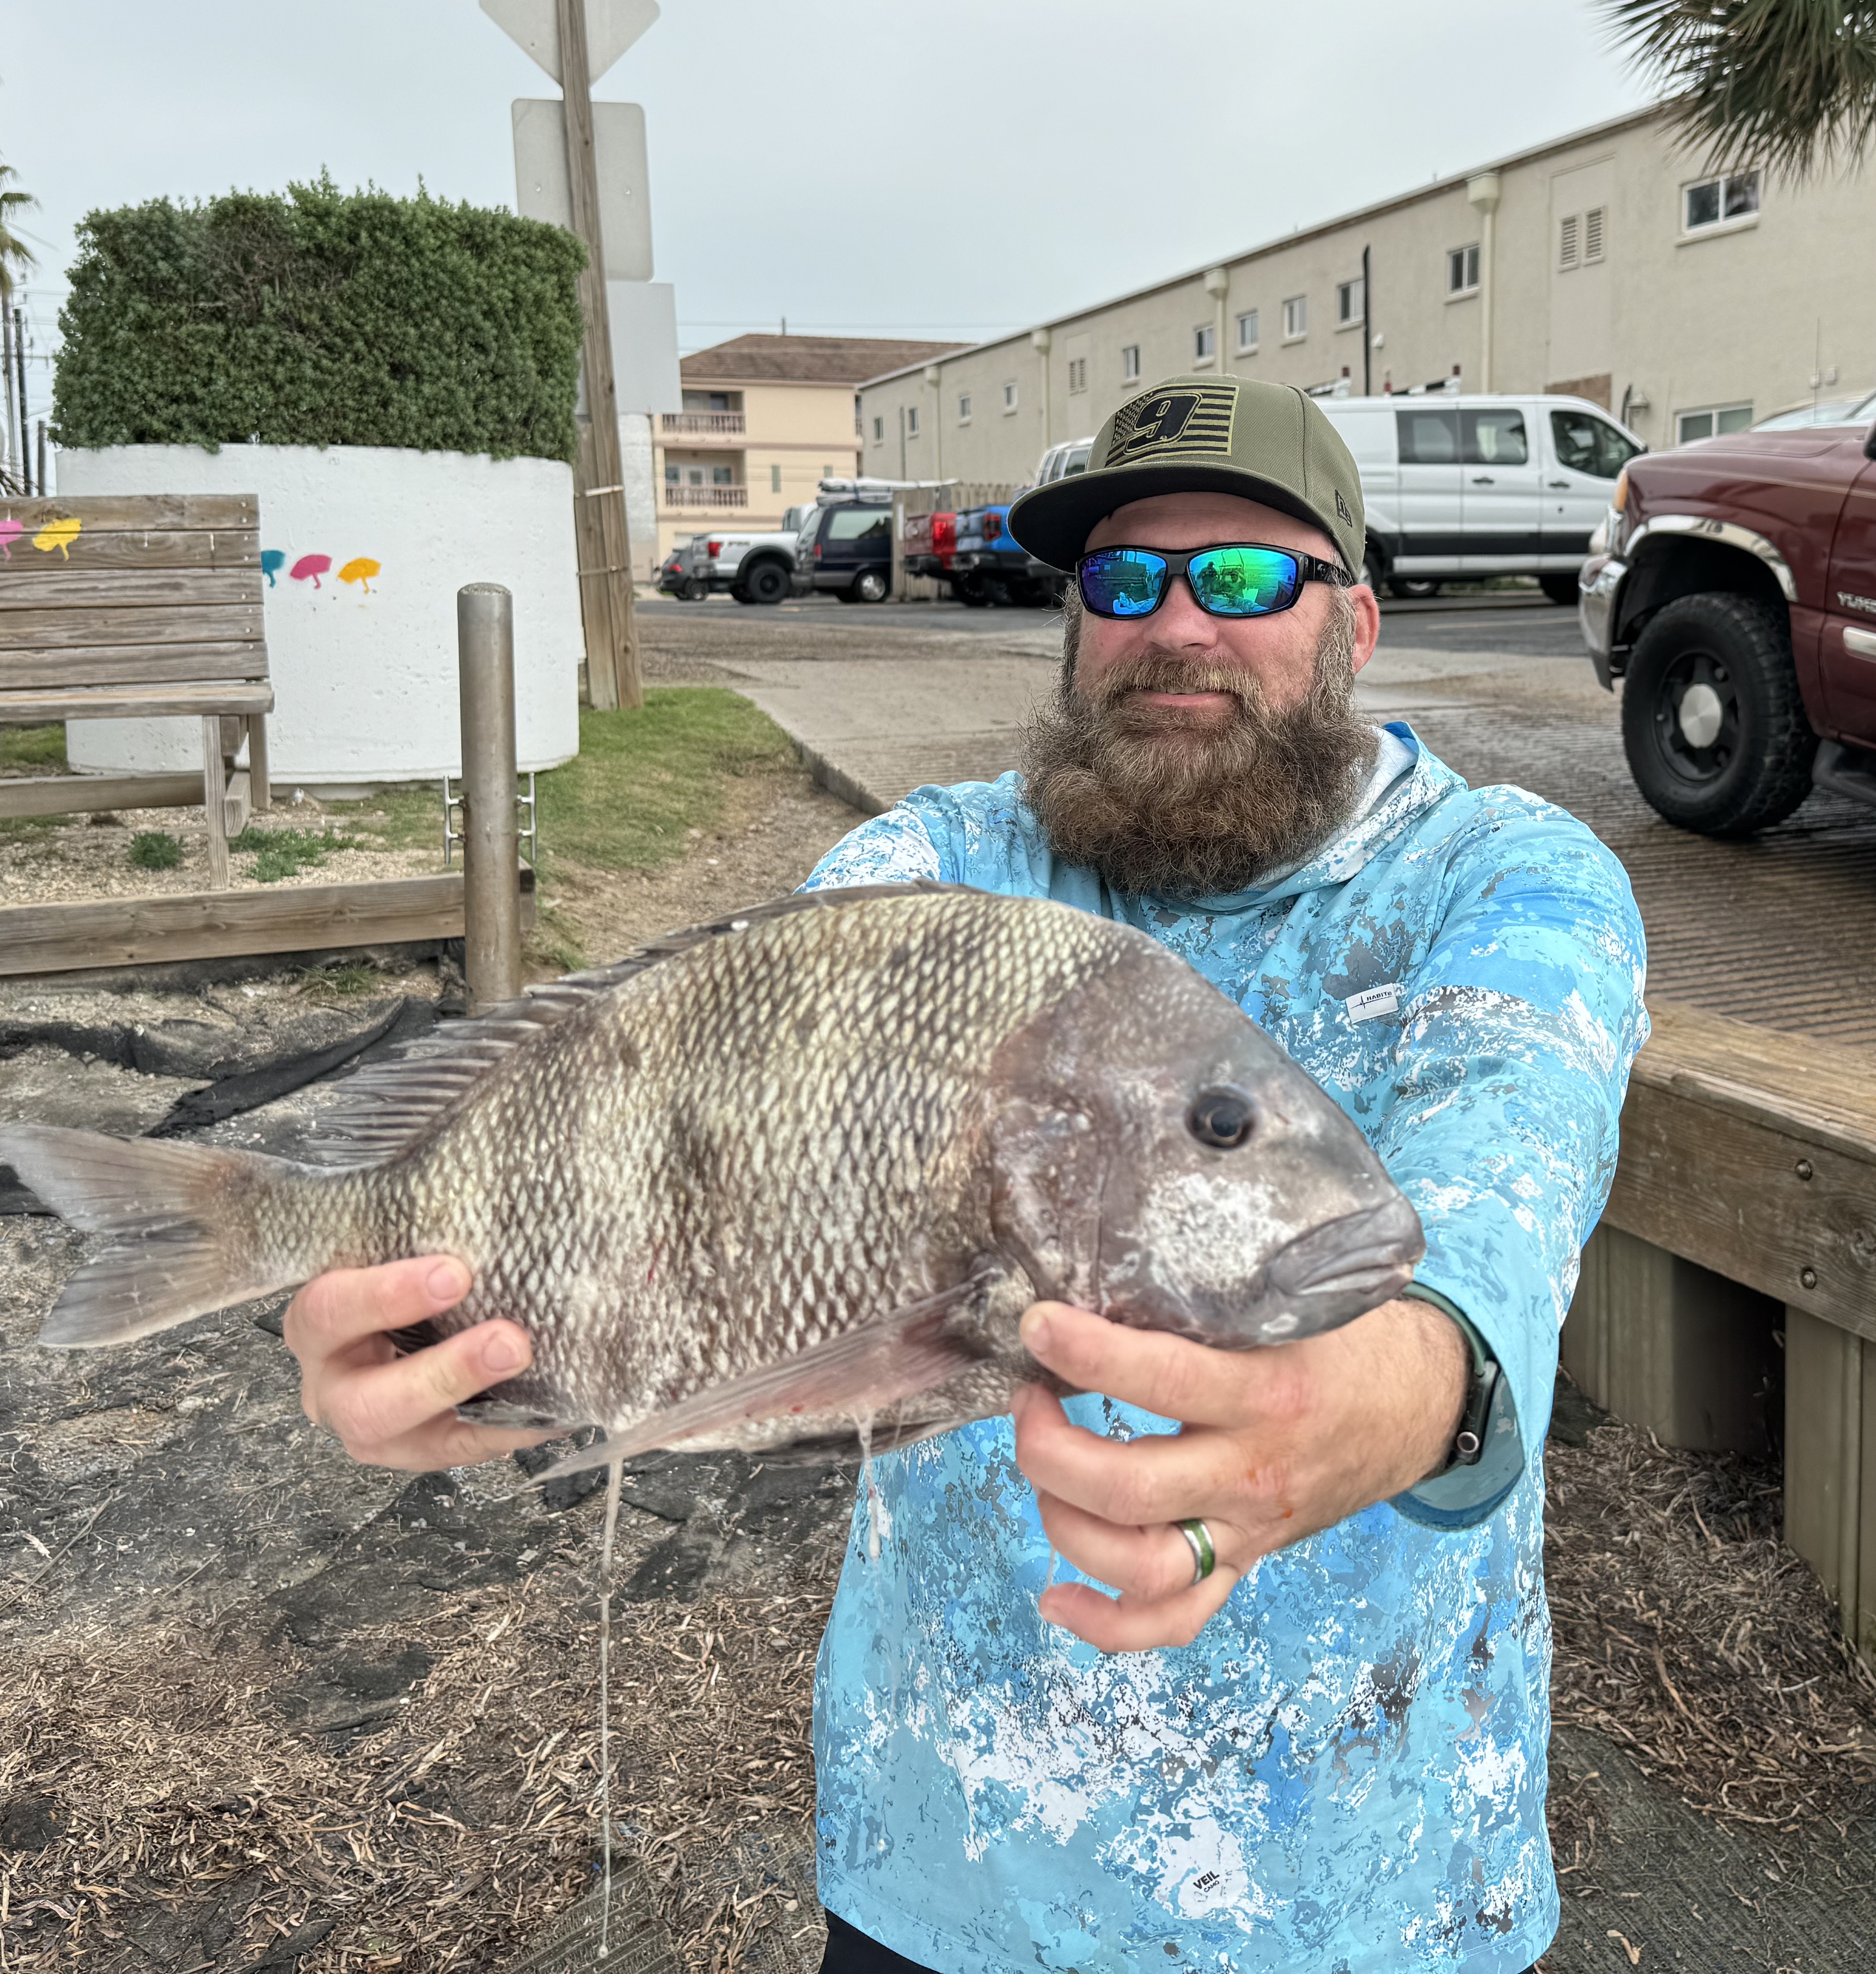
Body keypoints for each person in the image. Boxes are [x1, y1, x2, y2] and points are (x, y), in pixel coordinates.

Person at [280, 379, 1648, 1970]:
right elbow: (698, 1110)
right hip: (946, 1870)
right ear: (1073, 622)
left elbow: (1501, 1206)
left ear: (1357, 621)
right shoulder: (934, 870)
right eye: (1124, 579)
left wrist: (1395, 1395)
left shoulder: (1500, 878)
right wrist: (414, 1326)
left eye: (1249, 576)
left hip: (1374, 1893)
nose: (1179, 623)